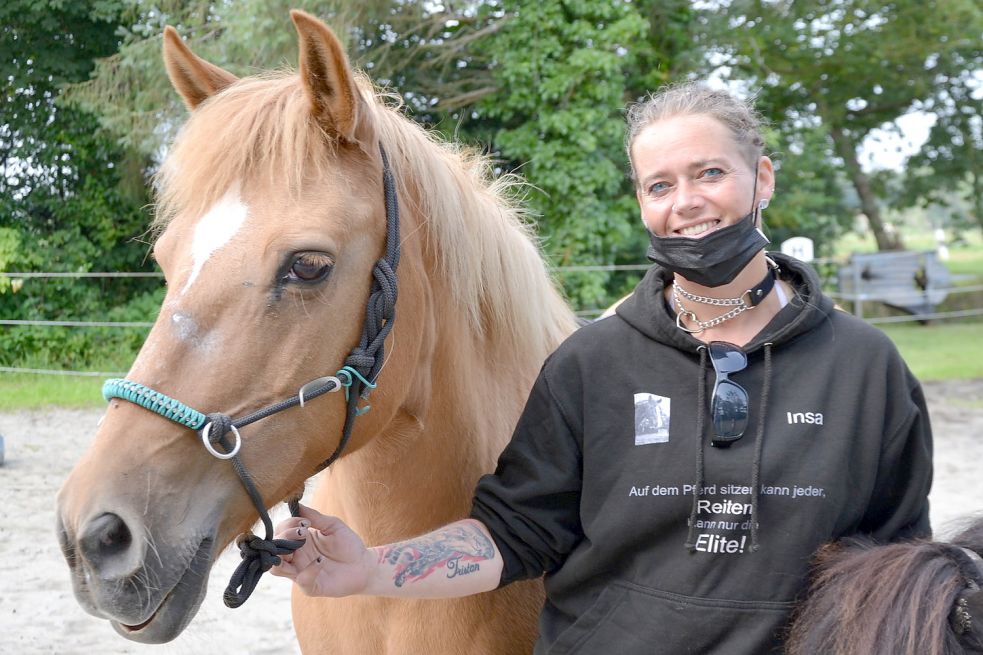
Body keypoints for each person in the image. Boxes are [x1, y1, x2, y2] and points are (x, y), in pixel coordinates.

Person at [270, 82, 933, 653]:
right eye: (660, 185)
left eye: (709, 173)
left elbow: (894, 565)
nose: (686, 202)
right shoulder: (590, 363)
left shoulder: (865, 367)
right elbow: (514, 533)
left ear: (761, 178)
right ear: (642, 201)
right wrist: (370, 567)